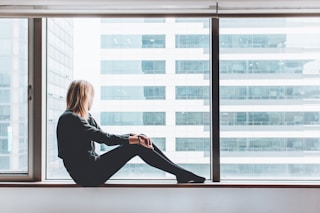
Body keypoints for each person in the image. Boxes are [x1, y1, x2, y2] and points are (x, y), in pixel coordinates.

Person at [56, 80, 205, 186]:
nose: (92, 100)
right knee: (136, 145)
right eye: (91, 96)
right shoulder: (70, 119)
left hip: (92, 168)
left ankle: (180, 172)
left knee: (140, 141)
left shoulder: (85, 118)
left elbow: (104, 135)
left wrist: (135, 136)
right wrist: (134, 140)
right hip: (86, 174)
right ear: (84, 97)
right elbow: (104, 139)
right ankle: (181, 173)